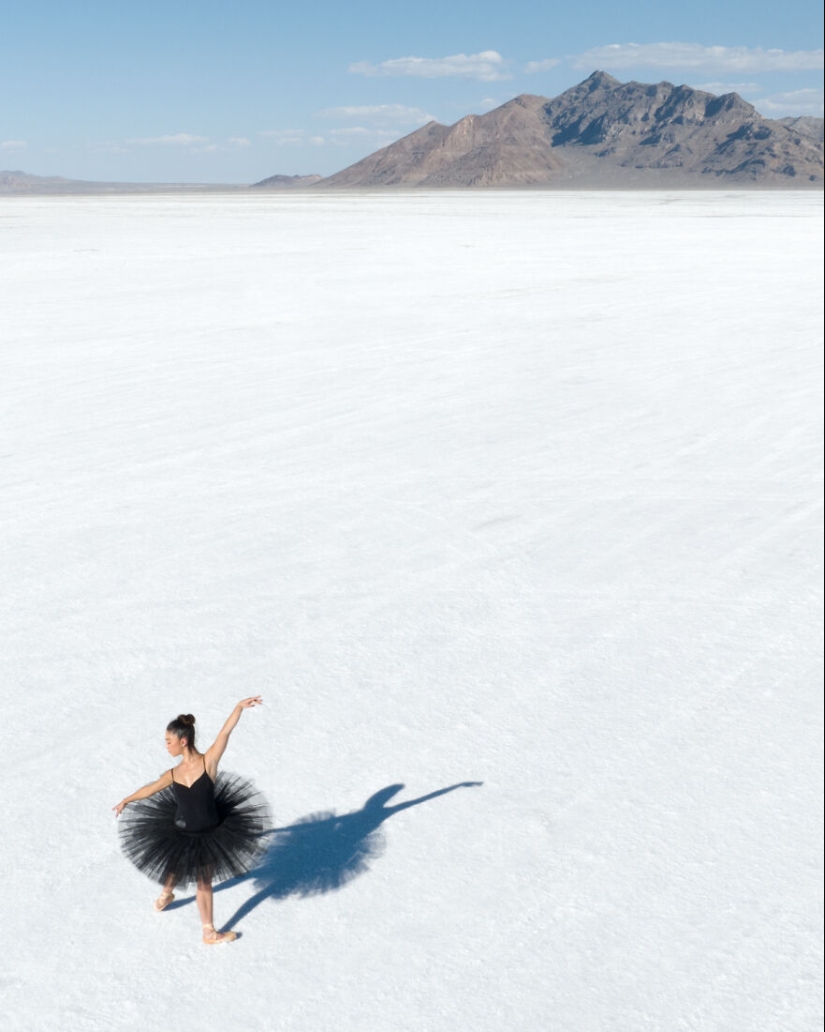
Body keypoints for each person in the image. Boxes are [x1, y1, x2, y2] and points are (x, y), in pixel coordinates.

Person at [113, 697, 271, 945]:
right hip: (181, 830)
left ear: (183, 741)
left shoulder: (209, 762)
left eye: (169, 741)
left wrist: (238, 708)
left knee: (203, 882)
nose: (166, 746)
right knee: (176, 865)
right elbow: (151, 789)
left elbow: (224, 732)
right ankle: (166, 894)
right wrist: (127, 799)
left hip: (209, 834)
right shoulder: (173, 774)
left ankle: (208, 932)